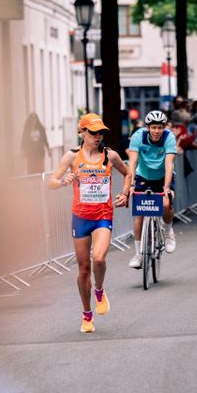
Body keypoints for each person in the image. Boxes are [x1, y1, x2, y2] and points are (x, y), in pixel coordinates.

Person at [47, 113, 131, 333]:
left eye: (101, 132)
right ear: (82, 132)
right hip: (81, 217)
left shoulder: (110, 156)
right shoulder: (72, 157)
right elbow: (51, 182)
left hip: (103, 215)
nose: (98, 136)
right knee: (84, 269)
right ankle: (86, 315)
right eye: (93, 132)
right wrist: (62, 181)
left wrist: (125, 193)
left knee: (99, 258)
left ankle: (100, 291)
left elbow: (128, 173)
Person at [127, 110, 177, 269]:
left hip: (163, 177)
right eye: (154, 127)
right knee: (139, 214)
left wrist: (167, 187)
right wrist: (131, 185)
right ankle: (138, 254)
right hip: (143, 176)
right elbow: (133, 162)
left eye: (160, 127)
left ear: (164, 128)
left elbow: (169, 164)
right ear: (147, 127)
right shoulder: (137, 137)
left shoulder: (169, 137)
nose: (157, 131)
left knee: (165, 204)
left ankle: (168, 232)